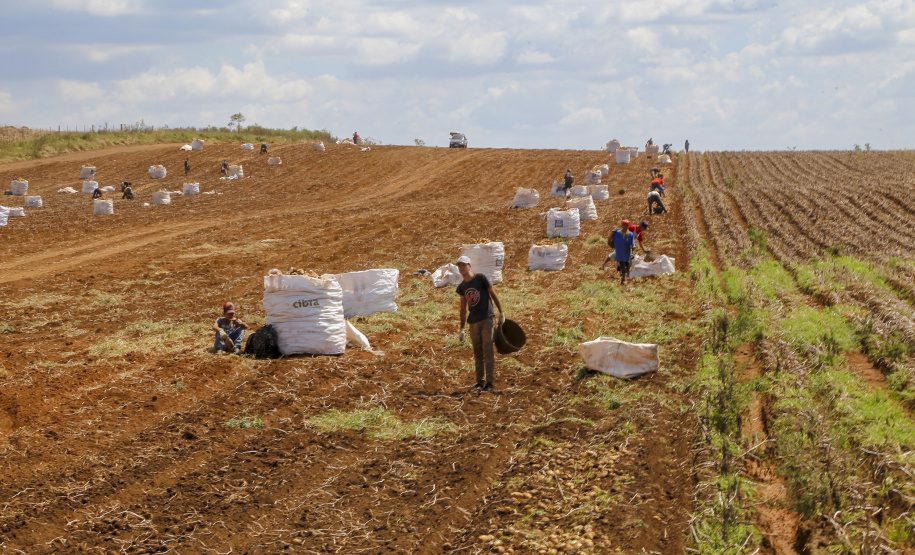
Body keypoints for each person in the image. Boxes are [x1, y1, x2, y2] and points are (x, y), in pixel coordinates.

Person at [456, 256, 504, 392]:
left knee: (488, 351)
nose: (461, 268)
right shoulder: (462, 287)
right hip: (473, 322)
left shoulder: (480, 278)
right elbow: (463, 308)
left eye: (464, 265)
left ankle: (489, 383)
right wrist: (461, 329)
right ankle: (479, 382)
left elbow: (493, 294)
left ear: (469, 266)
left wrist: (501, 312)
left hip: (487, 318)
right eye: (459, 265)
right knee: (477, 353)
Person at [602, 220, 635, 285]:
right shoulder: (617, 233)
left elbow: (633, 244)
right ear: (622, 225)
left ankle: (626, 276)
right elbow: (610, 240)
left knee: (628, 265)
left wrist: (633, 252)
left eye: (626, 225)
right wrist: (612, 233)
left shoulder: (630, 234)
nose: (625, 227)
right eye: (624, 225)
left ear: (628, 226)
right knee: (622, 265)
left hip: (627, 252)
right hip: (619, 252)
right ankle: (623, 279)